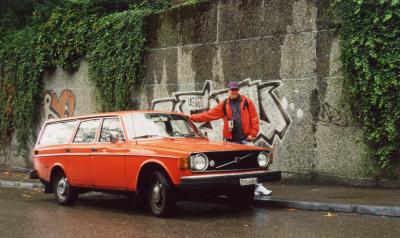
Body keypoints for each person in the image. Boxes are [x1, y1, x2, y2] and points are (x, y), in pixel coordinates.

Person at [190, 82, 272, 196]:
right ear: (228, 91)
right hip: (231, 142)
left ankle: (258, 187)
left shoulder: (246, 102)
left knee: (253, 165)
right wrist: (192, 118)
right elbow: (209, 115)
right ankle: (237, 190)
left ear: (238, 90)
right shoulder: (224, 104)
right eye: (232, 90)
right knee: (233, 167)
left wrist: (252, 134)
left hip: (245, 140)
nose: (234, 92)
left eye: (236, 90)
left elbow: (254, 119)